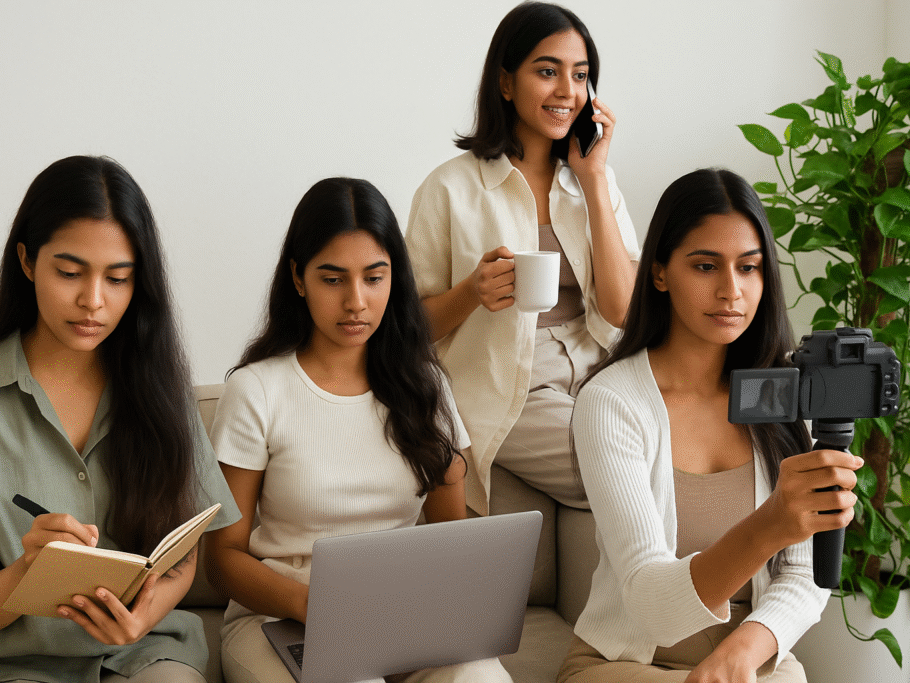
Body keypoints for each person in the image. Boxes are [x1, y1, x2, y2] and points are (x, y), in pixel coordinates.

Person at [0, 155, 241, 683]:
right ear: (27, 261)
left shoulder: (158, 385)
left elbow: (182, 556)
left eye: (118, 278)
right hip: (6, 664)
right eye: (69, 272)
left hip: (145, 653)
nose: (93, 302)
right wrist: (28, 572)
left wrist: (143, 616)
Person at [558, 168, 863, 683]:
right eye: (705, 266)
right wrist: (773, 521)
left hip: (750, 662)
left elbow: (805, 577)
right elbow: (651, 605)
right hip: (629, 664)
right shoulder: (611, 403)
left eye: (749, 268)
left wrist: (743, 652)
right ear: (659, 273)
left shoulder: (790, 391)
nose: (731, 291)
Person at [204, 177, 512, 683]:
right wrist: (315, 606)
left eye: (374, 277)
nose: (357, 302)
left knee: (479, 677)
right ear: (298, 278)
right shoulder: (257, 390)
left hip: (400, 620)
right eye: (333, 279)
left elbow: (453, 541)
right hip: (281, 618)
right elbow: (223, 560)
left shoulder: (426, 385)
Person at [405, 1, 640, 515]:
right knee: (622, 468)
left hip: (601, 369)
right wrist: (471, 293)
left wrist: (595, 180)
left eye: (580, 76)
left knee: (691, 442)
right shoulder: (449, 188)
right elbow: (404, 327)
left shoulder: (594, 180)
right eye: (547, 71)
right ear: (506, 83)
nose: (567, 91)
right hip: (511, 381)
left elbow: (623, 310)